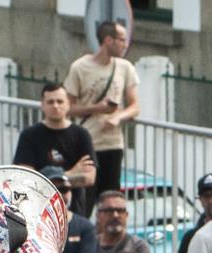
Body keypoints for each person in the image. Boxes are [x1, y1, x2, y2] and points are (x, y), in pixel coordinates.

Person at [65, 19, 140, 196]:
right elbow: (67, 108)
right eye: (122, 39)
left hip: (113, 144)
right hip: (88, 142)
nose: (125, 44)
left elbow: (135, 106)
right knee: (87, 196)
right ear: (108, 40)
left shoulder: (125, 67)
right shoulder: (80, 67)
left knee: (110, 196)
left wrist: (118, 117)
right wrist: (98, 108)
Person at [12, 81, 97, 215]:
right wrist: (70, 174)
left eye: (60, 101)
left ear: (68, 104)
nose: (56, 106)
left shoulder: (81, 135)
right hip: (39, 211)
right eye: (50, 102)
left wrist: (46, 178)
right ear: (42, 105)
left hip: (74, 213)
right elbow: (27, 178)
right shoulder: (29, 135)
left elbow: (89, 178)